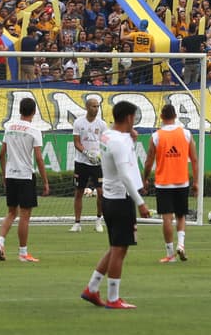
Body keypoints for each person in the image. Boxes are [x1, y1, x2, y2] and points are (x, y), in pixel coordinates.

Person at [80, 100, 151, 310]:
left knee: (115, 247)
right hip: (121, 198)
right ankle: (113, 298)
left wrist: (130, 136)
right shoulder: (119, 141)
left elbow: (119, 144)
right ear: (129, 118)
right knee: (120, 249)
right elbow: (125, 175)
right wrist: (140, 202)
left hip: (111, 198)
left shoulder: (109, 135)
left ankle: (92, 288)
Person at [0, 97, 51, 262]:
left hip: (11, 175)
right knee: (25, 216)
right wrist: (46, 181)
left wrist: (4, 174)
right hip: (25, 175)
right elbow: (39, 159)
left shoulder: (9, 127)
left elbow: (1, 154)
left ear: (19, 110)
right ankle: (23, 253)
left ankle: (0, 242)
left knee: (11, 212)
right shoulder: (34, 130)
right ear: (34, 112)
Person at [142, 103, 197, 263]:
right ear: (175, 116)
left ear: (161, 117)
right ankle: (181, 244)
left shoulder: (156, 136)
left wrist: (145, 178)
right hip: (182, 181)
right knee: (181, 216)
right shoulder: (186, 134)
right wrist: (196, 182)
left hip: (163, 183)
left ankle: (170, 253)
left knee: (167, 218)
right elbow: (194, 159)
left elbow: (148, 161)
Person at [71, 94, 106, 232]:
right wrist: (86, 153)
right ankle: (77, 223)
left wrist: (99, 155)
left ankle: (98, 220)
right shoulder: (79, 122)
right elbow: (76, 142)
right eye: (94, 106)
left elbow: (105, 142)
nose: (96, 109)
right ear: (87, 107)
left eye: (98, 106)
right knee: (79, 192)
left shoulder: (102, 124)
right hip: (81, 162)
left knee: (101, 192)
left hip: (97, 163)